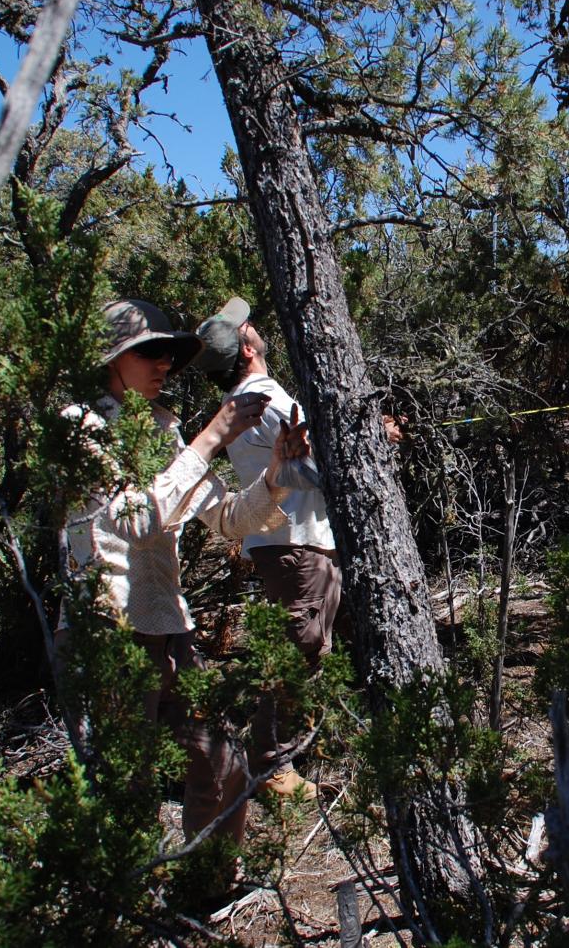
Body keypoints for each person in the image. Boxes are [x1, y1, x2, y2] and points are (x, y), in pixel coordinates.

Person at [60, 298, 309, 844]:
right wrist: (211, 438)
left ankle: (213, 881)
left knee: (224, 768)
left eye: (169, 355)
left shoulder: (163, 432)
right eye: (149, 352)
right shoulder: (81, 427)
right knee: (125, 790)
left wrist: (279, 471)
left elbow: (229, 518)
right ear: (112, 358)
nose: (163, 365)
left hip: (170, 629)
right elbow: (136, 520)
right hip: (108, 630)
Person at [194, 298, 336, 798]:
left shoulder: (244, 402)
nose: (253, 326)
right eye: (247, 326)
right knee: (300, 650)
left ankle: (296, 746)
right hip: (295, 543)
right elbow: (317, 464)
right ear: (247, 349)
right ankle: (273, 766)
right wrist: (374, 441)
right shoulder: (265, 398)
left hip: (285, 542)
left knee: (308, 646)